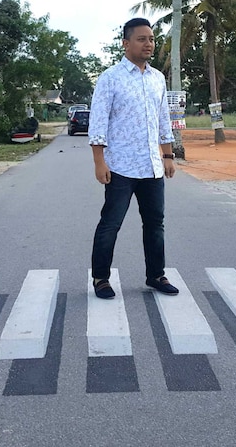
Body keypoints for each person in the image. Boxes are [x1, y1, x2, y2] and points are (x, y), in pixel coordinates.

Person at [87, 17, 179, 299]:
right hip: (121, 168)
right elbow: (98, 122)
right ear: (126, 43)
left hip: (152, 166)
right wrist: (99, 161)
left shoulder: (157, 79)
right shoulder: (110, 78)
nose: (148, 44)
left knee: (155, 224)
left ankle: (156, 275)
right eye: (141, 39)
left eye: (151, 39)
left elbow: (163, 119)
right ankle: (101, 278)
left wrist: (168, 155)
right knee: (111, 223)